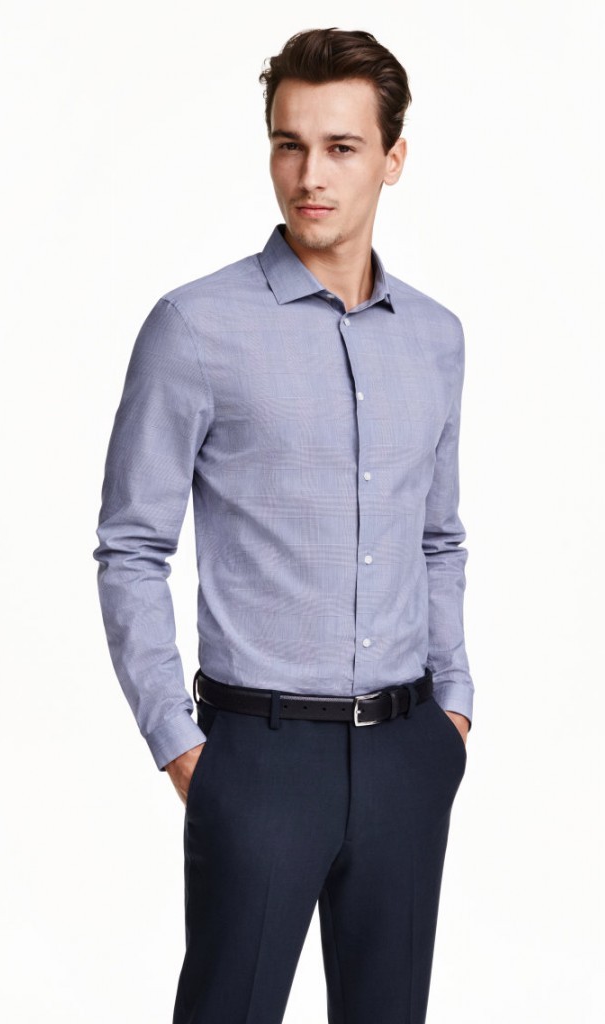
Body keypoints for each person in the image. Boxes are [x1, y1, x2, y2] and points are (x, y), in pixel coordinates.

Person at [93, 26, 475, 1024]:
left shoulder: (435, 338)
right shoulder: (194, 327)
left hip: (406, 751)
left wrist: (452, 711)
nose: (310, 176)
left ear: (392, 157)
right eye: (288, 144)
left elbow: (438, 536)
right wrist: (180, 746)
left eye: (341, 147)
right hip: (256, 759)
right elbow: (131, 546)